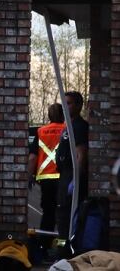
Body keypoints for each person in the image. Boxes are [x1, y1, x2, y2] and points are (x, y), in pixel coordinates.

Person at [55, 91, 89, 247]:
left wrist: (76, 179)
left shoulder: (79, 126)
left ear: (78, 105)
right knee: (61, 216)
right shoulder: (67, 126)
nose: (65, 107)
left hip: (72, 176)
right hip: (64, 176)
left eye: (68, 103)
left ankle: (67, 252)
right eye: (64, 104)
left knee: (68, 216)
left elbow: (81, 154)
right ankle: (61, 250)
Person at [27, 103, 66, 233]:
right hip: (63, 178)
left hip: (46, 180)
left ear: (49, 115)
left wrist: (29, 176)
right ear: (63, 114)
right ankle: (63, 244)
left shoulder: (41, 131)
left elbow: (32, 158)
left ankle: (44, 244)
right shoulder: (68, 130)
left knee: (48, 212)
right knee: (63, 212)